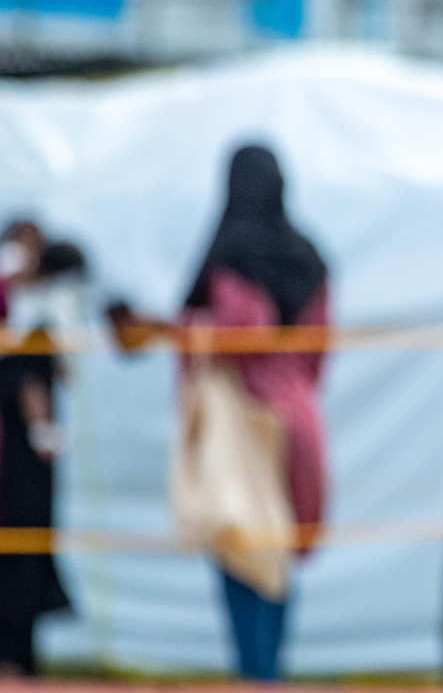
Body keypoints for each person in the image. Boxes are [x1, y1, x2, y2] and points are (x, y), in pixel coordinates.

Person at [111, 145, 330, 681]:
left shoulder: (233, 255)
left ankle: (257, 676)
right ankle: (268, 671)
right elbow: (319, 350)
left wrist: (168, 328)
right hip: (297, 420)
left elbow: (240, 335)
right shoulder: (312, 260)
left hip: (239, 425)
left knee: (240, 553)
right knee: (275, 557)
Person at [0, 228, 78, 676]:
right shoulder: (20, 310)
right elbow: (29, 379)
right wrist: (41, 426)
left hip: (26, 459)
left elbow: (47, 373)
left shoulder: (42, 308)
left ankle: (18, 657)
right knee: (19, 547)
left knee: (27, 550)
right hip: (16, 451)